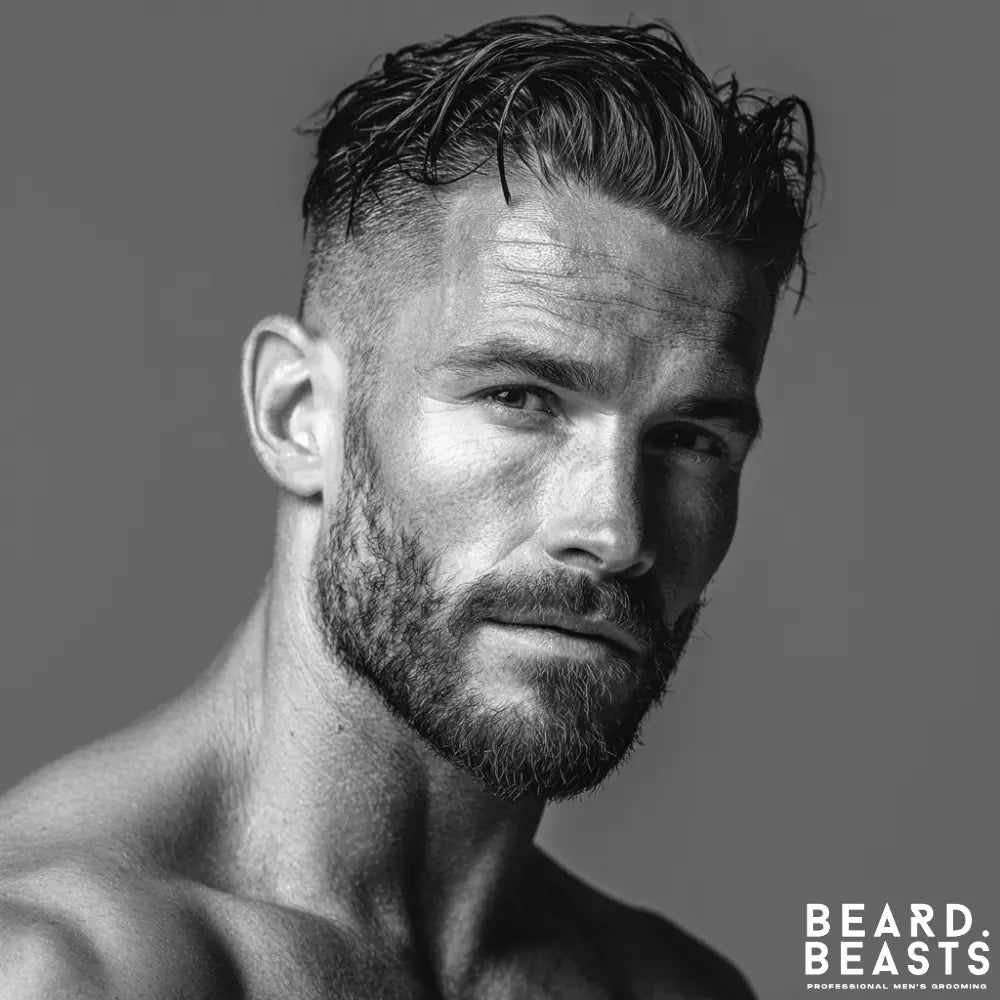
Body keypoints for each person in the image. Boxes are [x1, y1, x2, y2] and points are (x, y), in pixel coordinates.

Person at [0, 15, 814, 999]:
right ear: (298, 415)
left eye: (688, 440)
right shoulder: (60, 966)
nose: (615, 532)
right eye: (521, 398)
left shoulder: (673, 986)